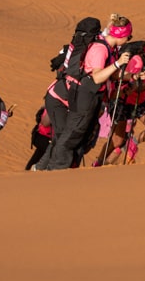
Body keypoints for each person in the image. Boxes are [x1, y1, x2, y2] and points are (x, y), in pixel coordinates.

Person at [39, 18, 133, 170]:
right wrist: (118, 63)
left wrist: (131, 76)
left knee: (68, 136)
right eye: (129, 36)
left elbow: (111, 74)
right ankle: (53, 171)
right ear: (122, 35)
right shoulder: (100, 49)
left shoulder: (109, 48)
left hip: (80, 96)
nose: (128, 40)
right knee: (69, 136)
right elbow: (97, 77)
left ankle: (46, 169)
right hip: (69, 96)